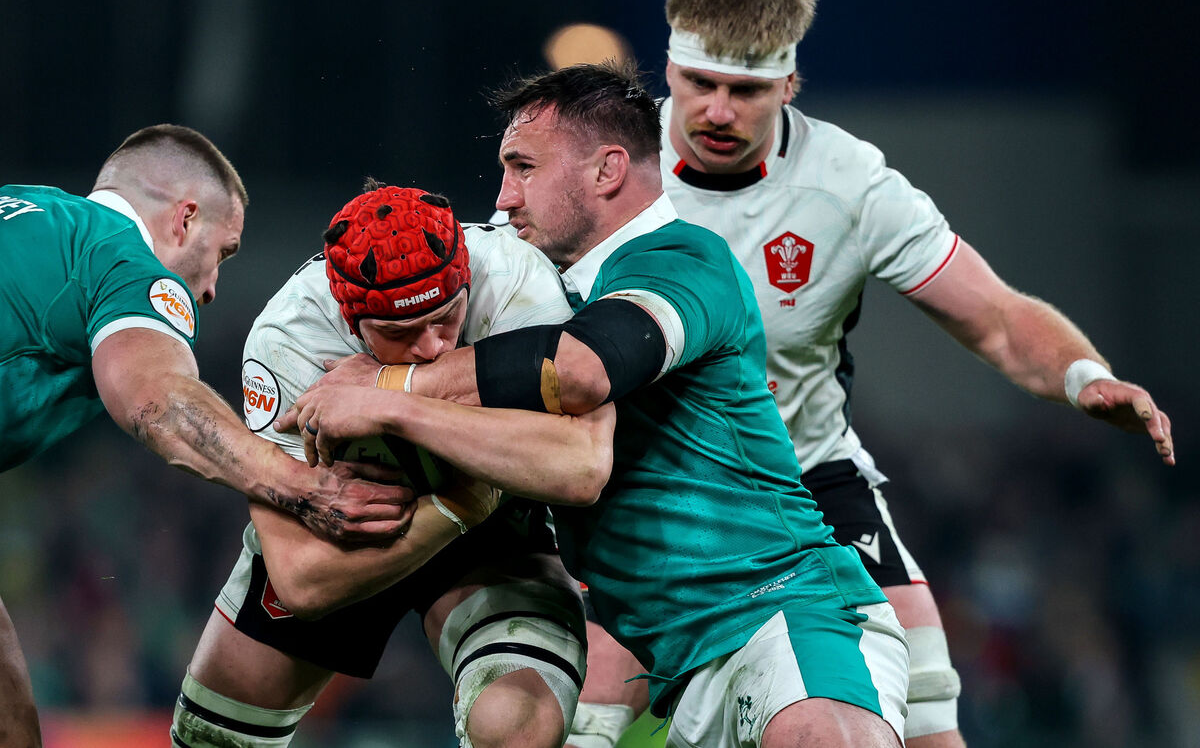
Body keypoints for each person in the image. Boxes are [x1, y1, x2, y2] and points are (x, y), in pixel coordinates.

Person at [559, 0, 1177, 748]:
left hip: (804, 479)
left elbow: (993, 317)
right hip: (637, 485)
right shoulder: (601, 166)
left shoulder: (848, 184)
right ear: (668, 69)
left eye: (744, 90)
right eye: (697, 82)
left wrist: (1085, 377)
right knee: (573, 706)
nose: (715, 109)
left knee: (925, 705)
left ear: (789, 86)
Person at [285, 62, 911, 748]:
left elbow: (580, 370)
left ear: (607, 171)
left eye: (523, 168)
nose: (502, 199)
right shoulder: (546, 301)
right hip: (682, 667)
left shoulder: (679, 258)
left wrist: (386, 389)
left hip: (783, 611)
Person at [0, 127, 413, 747]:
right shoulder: (122, 261)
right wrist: (305, 487)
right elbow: (158, 401)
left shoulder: (26, 211)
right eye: (224, 251)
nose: (213, 286)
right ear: (184, 219)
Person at [172, 181, 615, 748]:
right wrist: (461, 500)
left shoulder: (515, 283)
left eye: (448, 319)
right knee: (208, 738)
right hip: (351, 531)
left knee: (516, 730)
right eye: (402, 333)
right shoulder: (290, 340)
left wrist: (392, 398)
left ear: (466, 283)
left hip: (494, 538)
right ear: (349, 320)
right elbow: (301, 582)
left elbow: (580, 467)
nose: (432, 348)